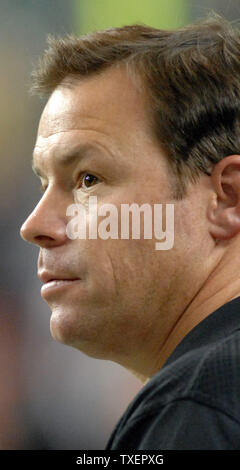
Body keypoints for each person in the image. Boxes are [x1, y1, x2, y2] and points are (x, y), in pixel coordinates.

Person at [20, 13, 240, 449]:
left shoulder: (197, 406)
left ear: (226, 198)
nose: (34, 226)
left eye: (87, 180)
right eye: (44, 184)